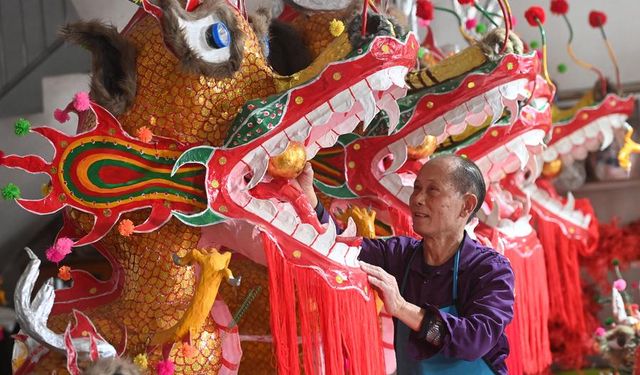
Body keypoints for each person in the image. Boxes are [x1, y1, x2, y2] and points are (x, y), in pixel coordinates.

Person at [296, 154, 515, 375]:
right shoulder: (401, 254)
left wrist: (402, 308)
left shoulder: (490, 269)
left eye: (432, 190)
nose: (418, 199)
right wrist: (310, 200)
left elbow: (473, 341)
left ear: (466, 206)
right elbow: (342, 246)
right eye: (417, 188)